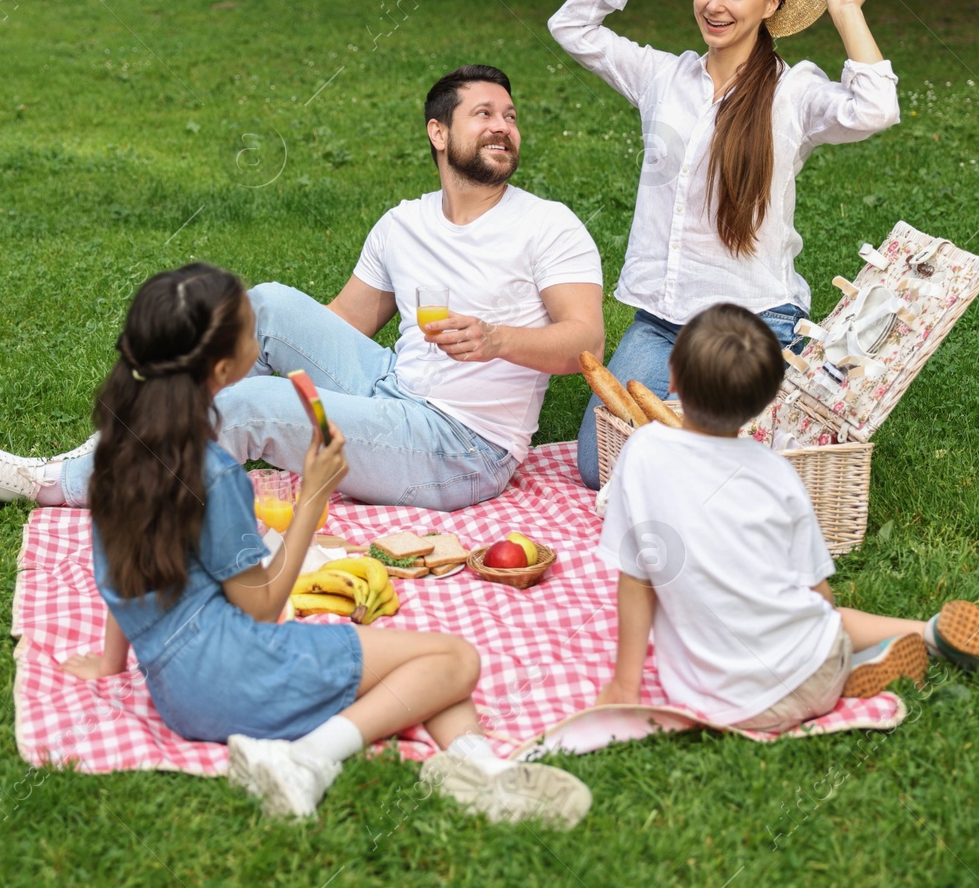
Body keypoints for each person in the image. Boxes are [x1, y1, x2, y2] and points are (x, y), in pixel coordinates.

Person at [64, 262, 593, 824]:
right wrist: (313, 496)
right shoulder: (211, 474)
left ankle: (478, 768)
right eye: (250, 332)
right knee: (455, 659)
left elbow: (130, 564)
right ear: (223, 367)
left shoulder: (120, 455)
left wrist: (110, 662)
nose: (257, 338)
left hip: (177, 694)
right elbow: (262, 605)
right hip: (237, 677)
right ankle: (307, 760)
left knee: (416, 676)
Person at [0, 65, 604, 512]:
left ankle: (52, 482)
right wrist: (265, 346)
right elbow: (345, 321)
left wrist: (496, 339)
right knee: (264, 306)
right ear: (438, 132)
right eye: (484, 112)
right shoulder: (405, 223)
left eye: (511, 116)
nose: (503, 126)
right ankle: (147, 436)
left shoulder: (547, 224)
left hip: (461, 445)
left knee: (252, 407)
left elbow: (585, 342)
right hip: (393, 388)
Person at [549, 0, 902, 489]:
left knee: (677, 465)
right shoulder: (663, 77)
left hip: (749, 322)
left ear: (771, 4)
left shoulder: (793, 94)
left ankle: (711, 444)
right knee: (599, 466)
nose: (716, 4)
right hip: (662, 323)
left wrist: (846, 11)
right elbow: (570, 25)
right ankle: (705, 444)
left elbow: (875, 108)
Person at [595, 304, 979, 730]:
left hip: (722, 704)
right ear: (765, 402)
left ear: (671, 377)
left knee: (804, 621)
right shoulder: (776, 472)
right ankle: (913, 637)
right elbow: (820, 594)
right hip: (812, 677)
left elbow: (636, 579)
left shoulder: (642, 452)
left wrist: (624, 686)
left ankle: (877, 656)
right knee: (820, 618)